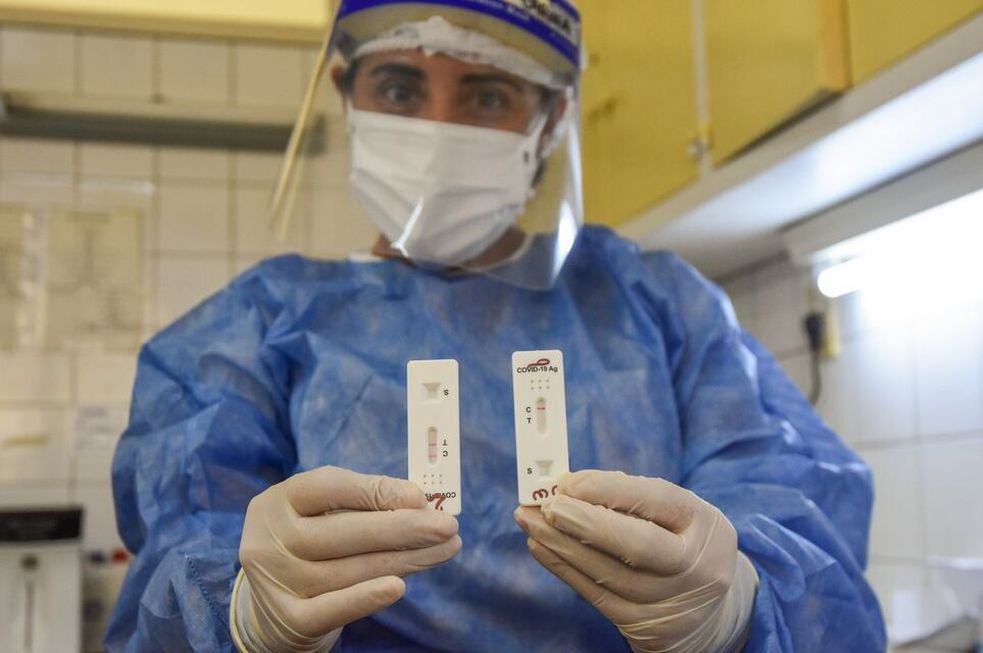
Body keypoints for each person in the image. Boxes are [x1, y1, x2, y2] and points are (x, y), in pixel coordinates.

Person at [107, 1, 887, 651]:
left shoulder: (659, 308)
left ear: (550, 122)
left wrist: (735, 606)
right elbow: (172, 569)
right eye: (401, 86)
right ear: (347, 93)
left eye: (487, 95)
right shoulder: (256, 330)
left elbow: (803, 532)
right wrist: (244, 614)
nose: (439, 128)